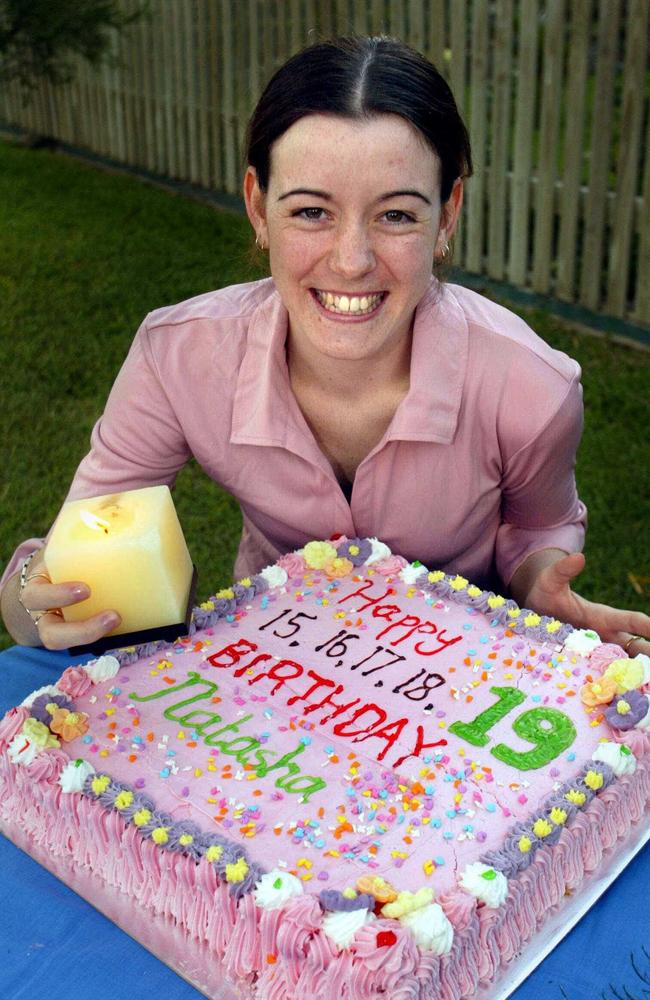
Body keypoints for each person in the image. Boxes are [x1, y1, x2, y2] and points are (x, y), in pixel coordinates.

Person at [1, 36, 648, 657]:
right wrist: (38, 599)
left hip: (460, 704)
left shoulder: (531, 385)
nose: (352, 261)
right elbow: (68, 563)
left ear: (446, 216)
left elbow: (540, 529)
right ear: (258, 208)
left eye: (396, 215)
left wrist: (539, 583)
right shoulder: (179, 358)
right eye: (312, 212)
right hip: (261, 686)